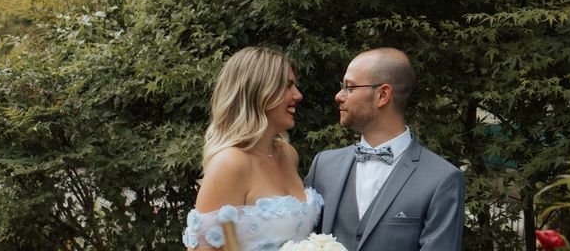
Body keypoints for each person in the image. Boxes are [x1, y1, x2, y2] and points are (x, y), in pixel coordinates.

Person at [305, 48, 465, 251]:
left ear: (383, 94)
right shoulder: (323, 166)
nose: (338, 96)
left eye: (350, 87)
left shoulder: (442, 179)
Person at [182, 47, 324, 250]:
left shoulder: (288, 154)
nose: (298, 95)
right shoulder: (230, 163)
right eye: (288, 85)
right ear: (258, 91)